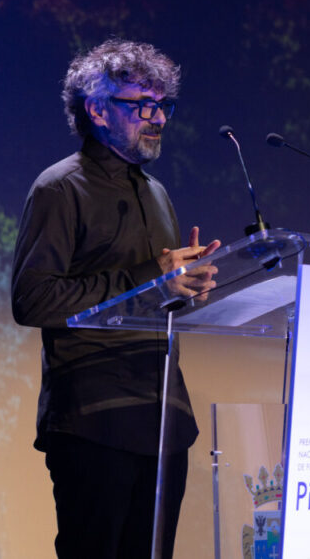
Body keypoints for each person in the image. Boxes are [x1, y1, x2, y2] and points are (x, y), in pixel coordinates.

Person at [11, 38, 220, 559]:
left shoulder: (156, 193)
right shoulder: (60, 189)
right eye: (141, 105)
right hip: (95, 423)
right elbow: (32, 299)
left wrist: (185, 289)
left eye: (163, 105)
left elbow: (150, 298)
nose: (158, 118)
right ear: (98, 110)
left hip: (164, 420)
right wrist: (151, 276)